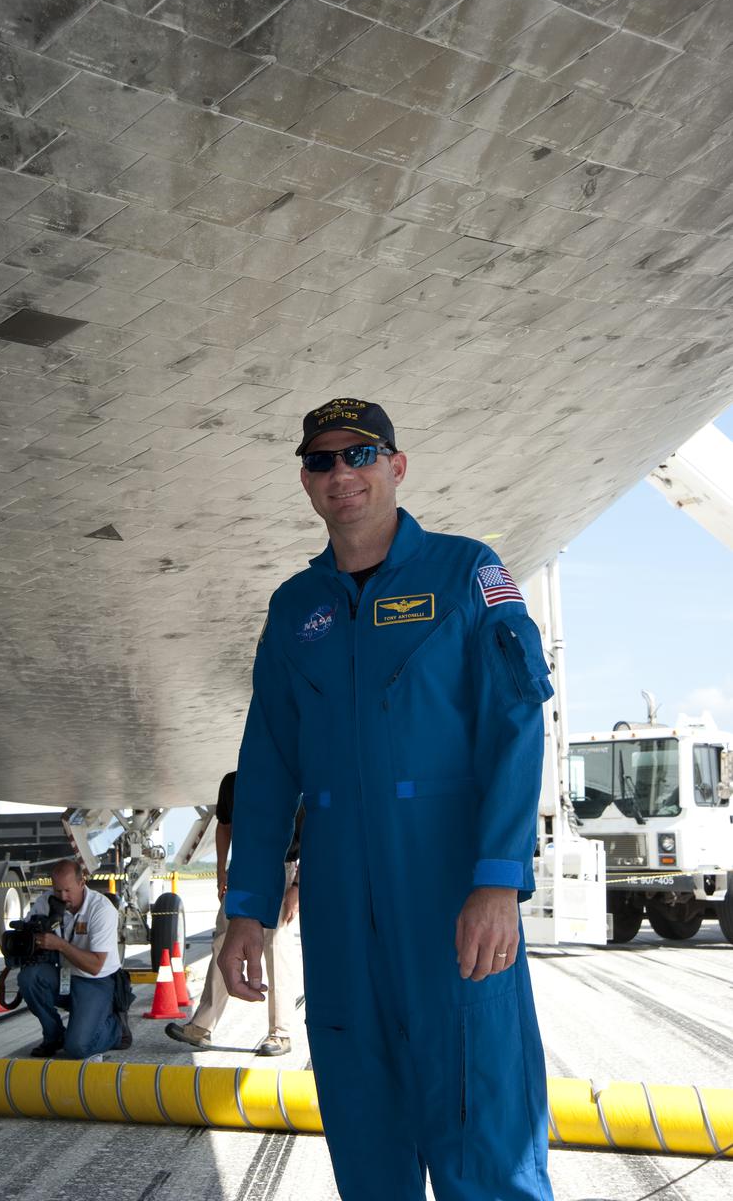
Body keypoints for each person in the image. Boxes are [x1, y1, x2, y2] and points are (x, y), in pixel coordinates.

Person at [218, 398, 555, 1201]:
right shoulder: (294, 608)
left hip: (449, 899)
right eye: (322, 461)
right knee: (365, 1138)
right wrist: (246, 909)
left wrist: (497, 879)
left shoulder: (467, 572)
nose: (342, 474)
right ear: (305, 482)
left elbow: (514, 726)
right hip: (338, 914)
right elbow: (265, 765)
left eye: (360, 455)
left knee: (485, 1133)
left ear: (396, 467)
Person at [166, 770, 301, 1056]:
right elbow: (224, 826)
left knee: (275, 948)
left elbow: (312, 837)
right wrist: (220, 872)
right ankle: (202, 1027)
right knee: (223, 945)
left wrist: (297, 888)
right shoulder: (232, 783)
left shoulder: (293, 783)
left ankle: (280, 1033)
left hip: (283, 870)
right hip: (242, 871)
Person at [19, 859, 129, 1060]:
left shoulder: (101, 909)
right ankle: (54, 1036)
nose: (62, 896)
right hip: (65, 975)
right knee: (29, 977)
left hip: (96, 981)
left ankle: (115, 1027)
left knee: (78, 1048)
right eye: (57, 890)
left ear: (81, 883)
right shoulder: (46, 902)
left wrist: (59, 944)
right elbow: (25, 936)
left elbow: (95, 966)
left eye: (68, 890)